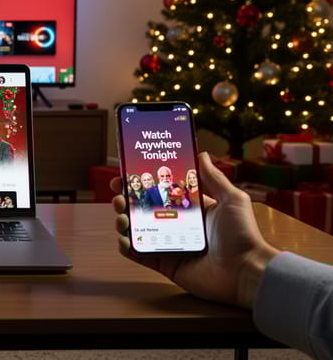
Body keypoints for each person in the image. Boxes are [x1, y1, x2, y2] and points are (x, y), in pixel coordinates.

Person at [111, 152, 333, 359]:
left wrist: (247, 265)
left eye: (168, 174)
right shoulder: (150, 193)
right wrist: (246, 267)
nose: (167, 177)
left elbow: (188, 207)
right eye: (163, 175)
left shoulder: (182, 189)